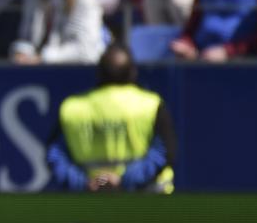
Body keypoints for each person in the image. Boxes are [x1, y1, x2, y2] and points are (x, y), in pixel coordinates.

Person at [48, 45, 176, 194]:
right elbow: (164, 153)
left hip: (91, 201)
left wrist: (85, 183)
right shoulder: (151, 104)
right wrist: (123, 181)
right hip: (146, 201)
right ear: (133, 72)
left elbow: (55, 155)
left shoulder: (72, 108)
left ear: (98, 73)